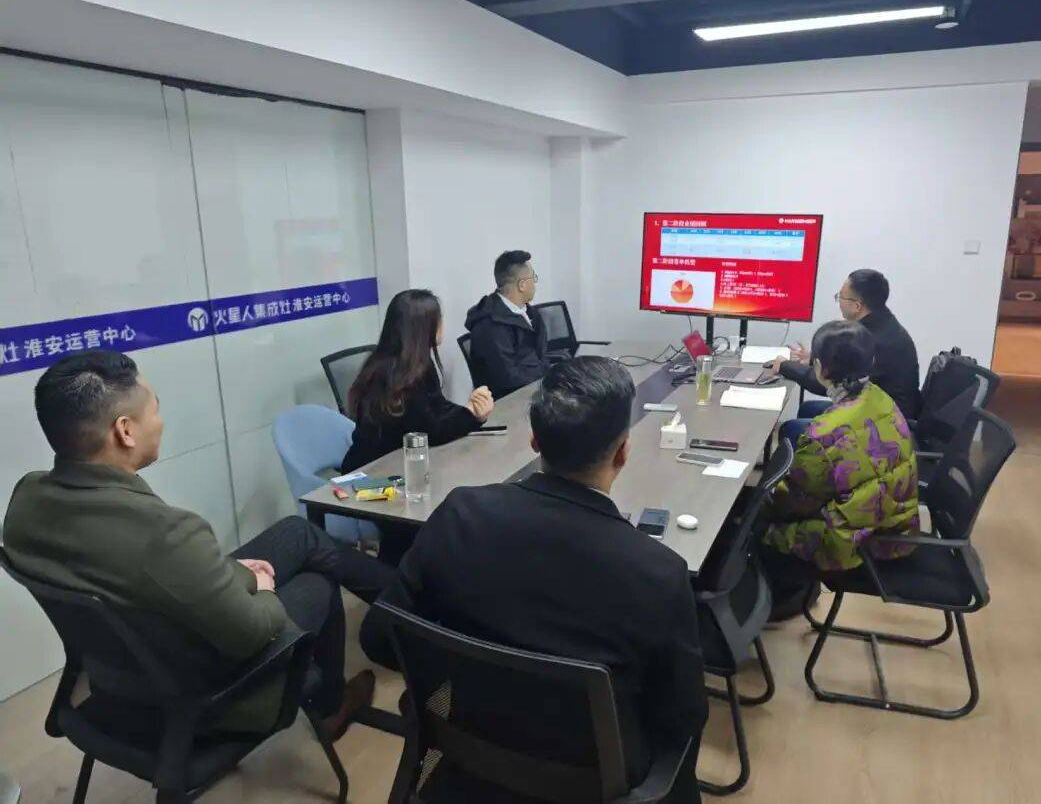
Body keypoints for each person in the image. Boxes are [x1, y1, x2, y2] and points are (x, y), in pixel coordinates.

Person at [360, 357, 707, 803]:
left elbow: (379, 638)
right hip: (595, 781)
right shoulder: (658, 571)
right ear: (623, 452)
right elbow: (683, 717)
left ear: (534, 441)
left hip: (470, 751)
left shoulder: (458, 515)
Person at [3, 351, 394, 740]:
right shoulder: (167, 533)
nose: (160, 421)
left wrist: (232, 574)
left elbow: (157, 570)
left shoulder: (27, 499)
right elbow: (252, 631)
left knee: (298, 533)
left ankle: (397, 600)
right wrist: (262, 589)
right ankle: (331, 701)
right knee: (318, 585)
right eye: (155, 409)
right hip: (198, 689)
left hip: (130, 664)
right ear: (125, 431)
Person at [762, 321, 919, 613]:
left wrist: (755, 500)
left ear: (820, 369)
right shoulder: (877, 396)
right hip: (893, 521)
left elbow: (791, 503)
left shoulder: (823, 435)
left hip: (855, 540)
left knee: (749, 524)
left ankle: (778, 599)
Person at [341, 289, 494, 475]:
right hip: (371, 474)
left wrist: (471, 408)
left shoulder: (414, 363)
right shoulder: (397, 374)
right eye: (439, 319)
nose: (442, 324)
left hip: (397, 466)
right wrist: (471, 416)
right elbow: (428, 431)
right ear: (423, 327)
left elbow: (437, 406)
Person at [767, 269, 921, 447]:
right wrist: (812, 360)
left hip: (883, 426)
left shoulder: (873, 341)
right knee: (808, 408)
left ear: (857, 306)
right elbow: (843, 369)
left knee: (791, 429)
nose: (838, 301)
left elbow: (832, 383)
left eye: (840, 297)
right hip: (879, 409)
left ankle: (807, 461)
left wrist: (785, 366)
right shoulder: (883, 324)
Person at [464, 250, 552, 399]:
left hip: (535, 387)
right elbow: (508, 377)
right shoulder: (490, 325)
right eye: (533, 278)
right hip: (508, 399)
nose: (535, 284)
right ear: (522, 285)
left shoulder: (529, 312)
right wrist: (546, 374)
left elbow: (542, 353)